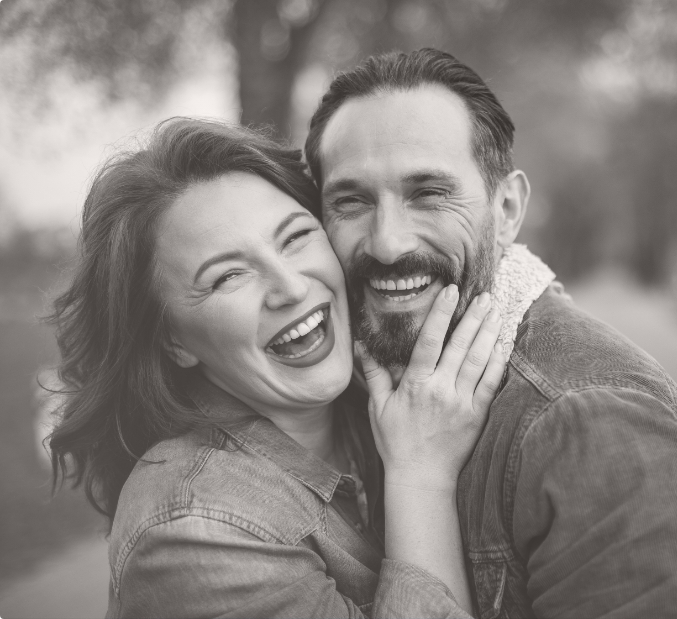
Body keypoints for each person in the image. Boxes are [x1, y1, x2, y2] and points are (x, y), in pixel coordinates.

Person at [304, 48, 677, 619]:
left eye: (429, 194)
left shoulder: (595, 427)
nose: (388, 243)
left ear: (506, 209)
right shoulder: (354, 377)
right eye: (351, 201)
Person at [47, 118, 508, 618]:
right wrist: (421, 476)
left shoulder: (386, 393)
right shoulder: (195, 530)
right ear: (173, 341)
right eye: (228, 276)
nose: (290, 286)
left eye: (294, 238)